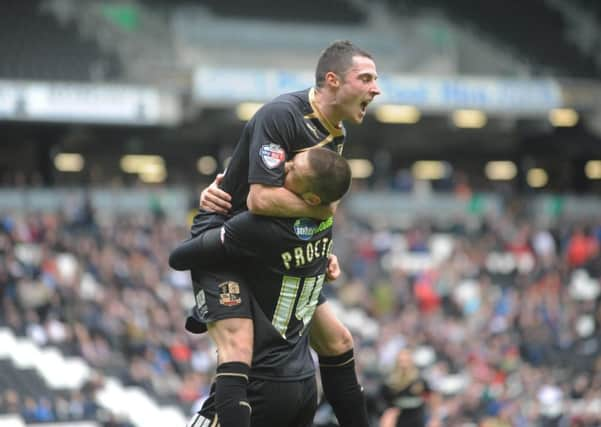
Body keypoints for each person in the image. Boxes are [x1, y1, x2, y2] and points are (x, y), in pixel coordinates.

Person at [188, 40, 381, 427]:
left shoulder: (336, 132)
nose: (376, 88)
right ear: (332, 81)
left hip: (276, 246)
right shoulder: (281, 116)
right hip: (226, 241)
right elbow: (260, 199)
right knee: (240, 349)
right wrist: (324, 211)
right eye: (366, 79)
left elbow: (310, 201)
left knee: (339, 341)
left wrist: (318, 245)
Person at [171, 147, 352, 426]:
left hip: (256, 384)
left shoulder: (258, 227)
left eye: (293, 169)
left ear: (311, 196)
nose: (284, 167)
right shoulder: (324, 222)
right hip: (303, 382)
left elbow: (180, 257)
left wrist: (209, 211)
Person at [379, 349, 440, 427]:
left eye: (406, 361)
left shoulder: (419, 380)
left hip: (417, 418)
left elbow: (432, 397)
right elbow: (383, 403)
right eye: (401, 361)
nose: (404, 365)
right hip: (397, 420)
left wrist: (435, 418)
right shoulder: (390, 383)